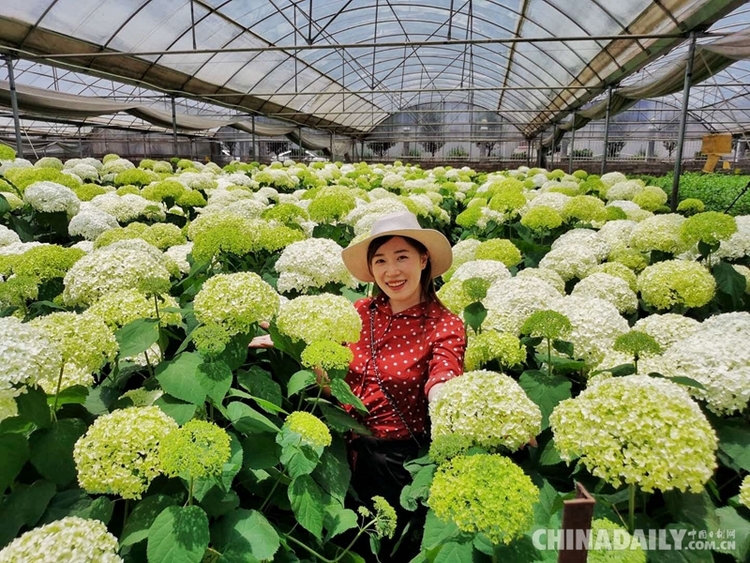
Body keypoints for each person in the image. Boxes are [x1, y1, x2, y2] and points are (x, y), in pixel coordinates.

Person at [251, 211, 466, 560]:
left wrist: (457, 404)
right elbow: (336, 385)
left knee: (391, 552)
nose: (391, 271)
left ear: (423, 259)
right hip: (342, 453)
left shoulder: (444, 324)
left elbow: (444, 374)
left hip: (398, 467)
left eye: (402, 258)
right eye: (380, 260)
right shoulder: (360, 311)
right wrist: (289, 343)